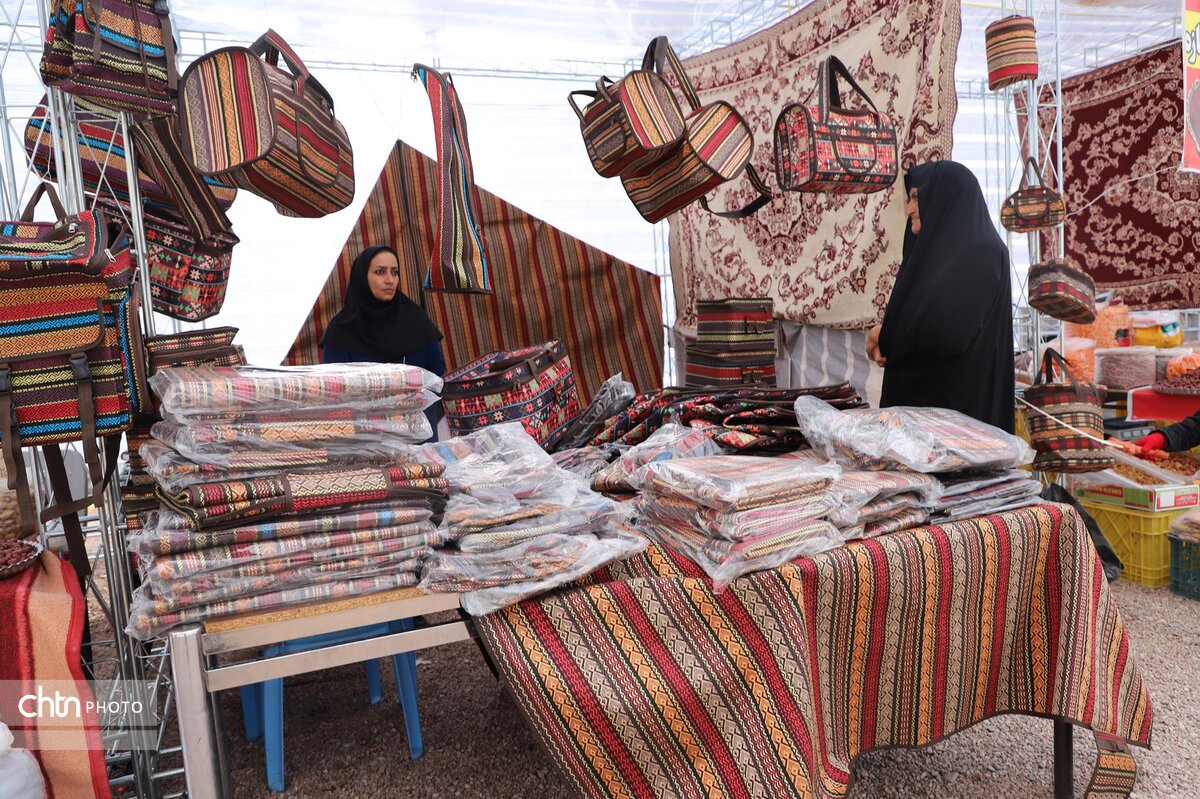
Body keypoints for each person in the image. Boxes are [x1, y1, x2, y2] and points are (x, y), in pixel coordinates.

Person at [866, 161, 1015, 432]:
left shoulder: (980, 253)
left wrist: (885, 337)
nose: (910, 209)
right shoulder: (936, 256)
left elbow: (946, 333)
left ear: (943, 196)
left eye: (916, 198)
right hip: (927, 425)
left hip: (957, 429)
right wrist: (888, 338)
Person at [321, 245, 446, 441]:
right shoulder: (341, 331)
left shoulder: (416, 321)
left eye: (394, 272)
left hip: (418, 438)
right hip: (366, 440)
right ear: (362, 277)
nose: (390, 280)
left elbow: (436, 373)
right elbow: (335, 390)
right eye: (380, 272)